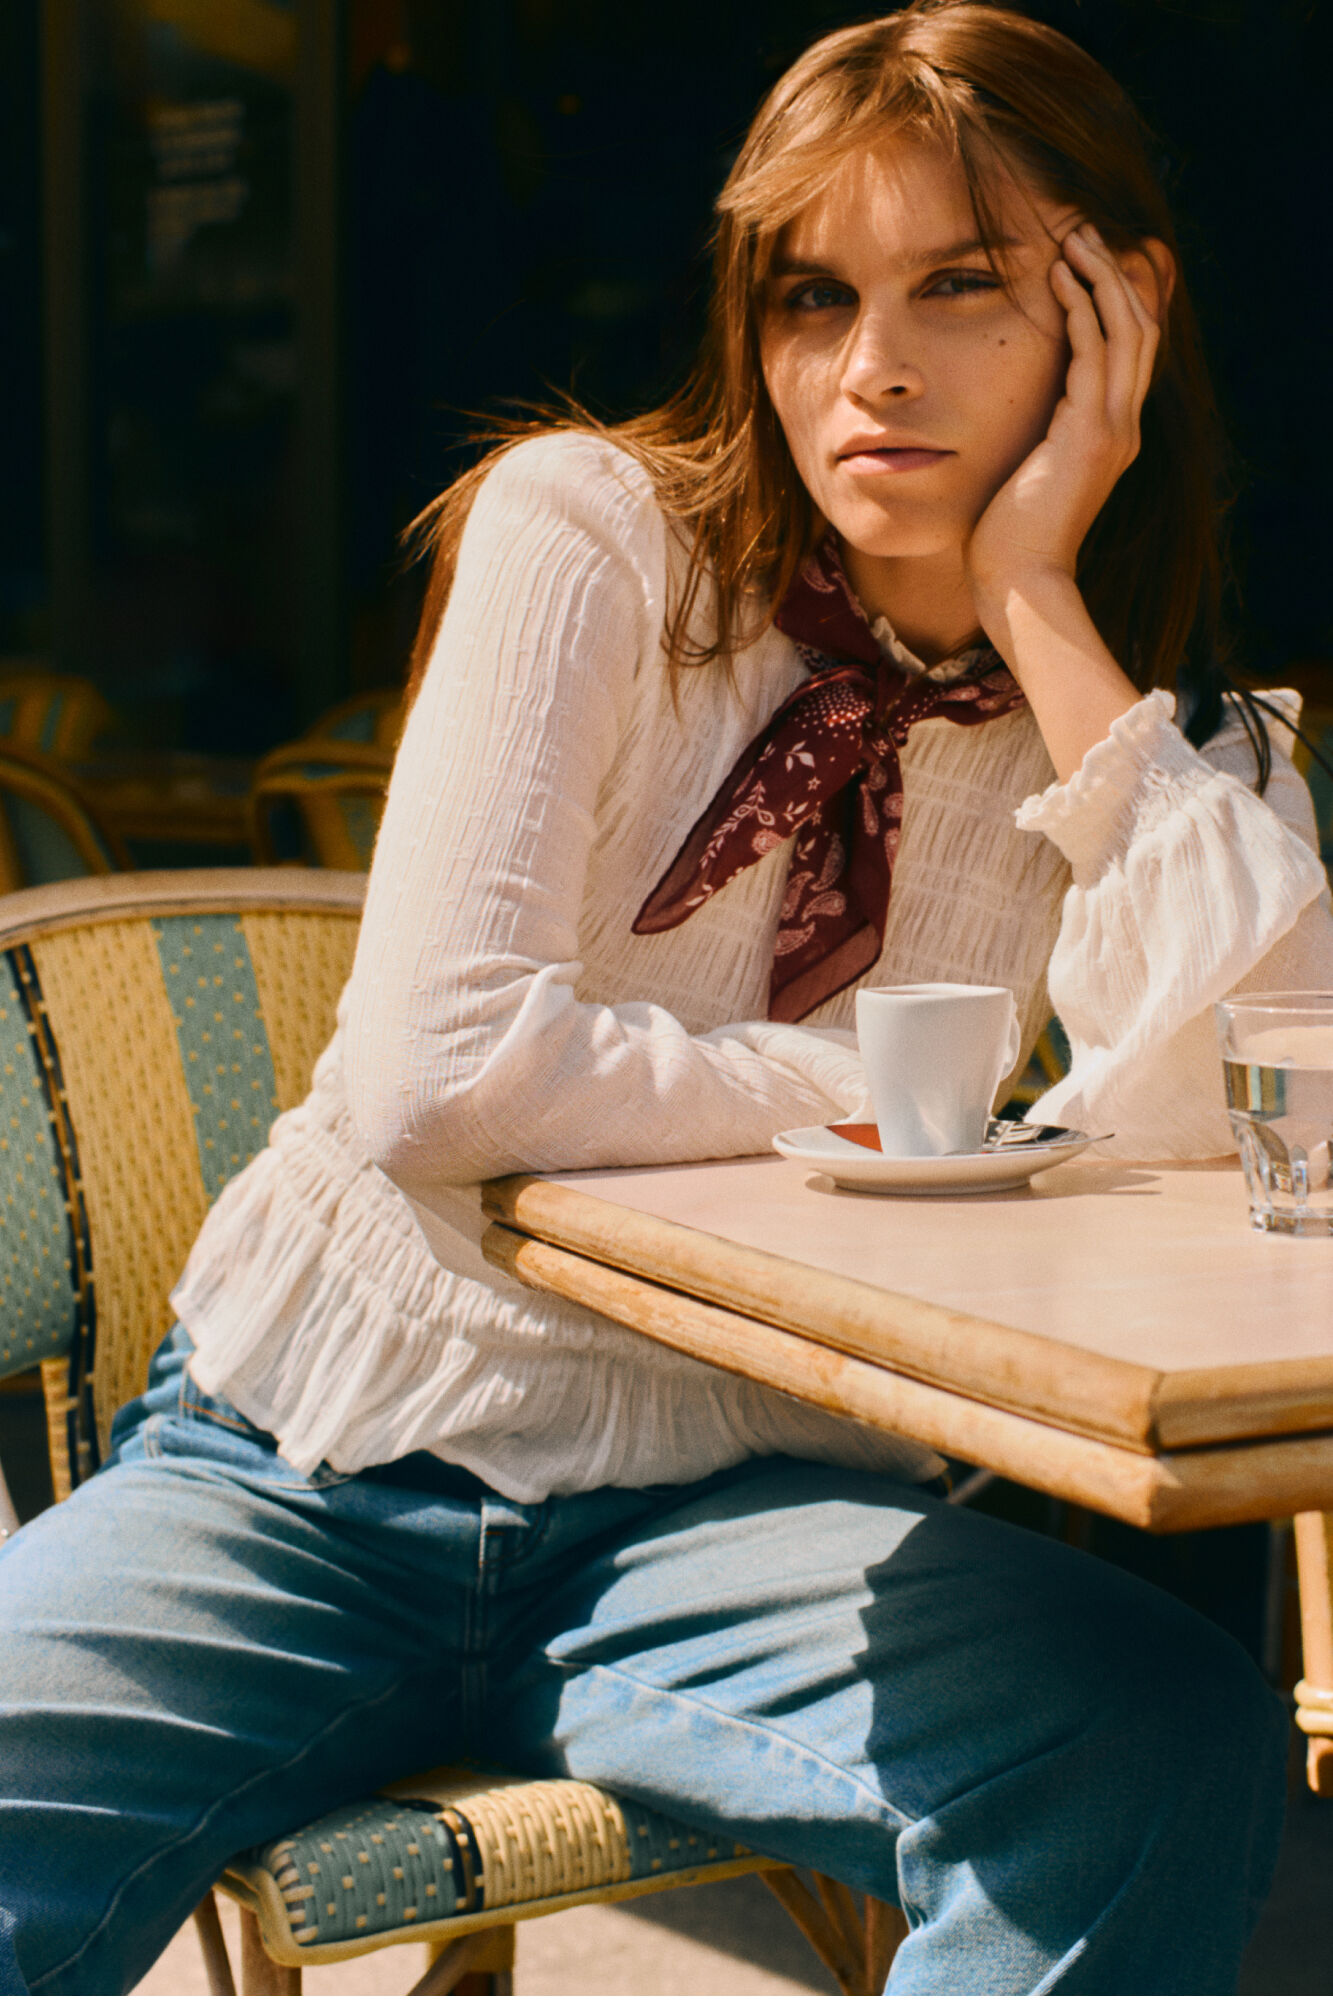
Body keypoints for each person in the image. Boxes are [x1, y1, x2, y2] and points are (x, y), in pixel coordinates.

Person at [2, 4, 1330, 1992]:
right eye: (813, 296)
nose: (868, 369)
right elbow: (436, 1077)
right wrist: (861, 1111)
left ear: (1114, 310)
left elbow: (1275, 1102)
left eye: (958, 288)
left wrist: (1045, 602)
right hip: (309, 1466)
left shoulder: (1147, 738)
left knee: (1154, 1741)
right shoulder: (596, 536)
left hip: (745, 1528)